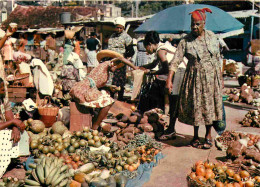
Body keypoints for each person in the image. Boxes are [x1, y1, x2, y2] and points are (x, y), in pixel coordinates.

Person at [166, 8, 223, 149]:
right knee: (196, 107)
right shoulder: (185, 41)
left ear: (204, 23)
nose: (194, 27)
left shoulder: (212, 37)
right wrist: (169, 79)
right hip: (194, 78)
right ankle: (196, 136)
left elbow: (217, 59)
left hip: (211, 79)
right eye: (192, 24)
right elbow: (175, 60)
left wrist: (220, 78)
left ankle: (208, 135)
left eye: (197, 24)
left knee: (209, 107)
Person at [139, 31, 187, 140]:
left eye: (147, 48)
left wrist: (151, 72)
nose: (147, 51)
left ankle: (171, 130)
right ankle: (171, 128)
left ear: (150, 44)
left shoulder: (160, 50)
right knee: (172, 98)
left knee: (173, 99)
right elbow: (154, 64)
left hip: (179, 71)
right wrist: (142, 67)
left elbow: (165, 68)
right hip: (177, 70)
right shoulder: (161, 48)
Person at [70, 55, 138, 130]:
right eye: (116, 66)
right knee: (109, 101)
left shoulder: (104, 70)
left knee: (106, 94)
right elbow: (120, 58)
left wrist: (109, 87)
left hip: (86, 88)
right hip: (83, 89)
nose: (116, 68)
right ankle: (95, 127)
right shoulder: (105, 64)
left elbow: (97, 84)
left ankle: (96, 120)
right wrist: (135, 68)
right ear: (112, 62)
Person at [108, 17, 134, 101]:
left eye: (120, 28)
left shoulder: (127, 37)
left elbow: (131, 51)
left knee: (120, 81)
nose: (118, 29)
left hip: (120, 63)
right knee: (111, 81)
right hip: (111, 61)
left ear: (123, 28)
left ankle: (120, 98)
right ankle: (111, 98)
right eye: (117, 27)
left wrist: (123, 58)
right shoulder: (112, 36)